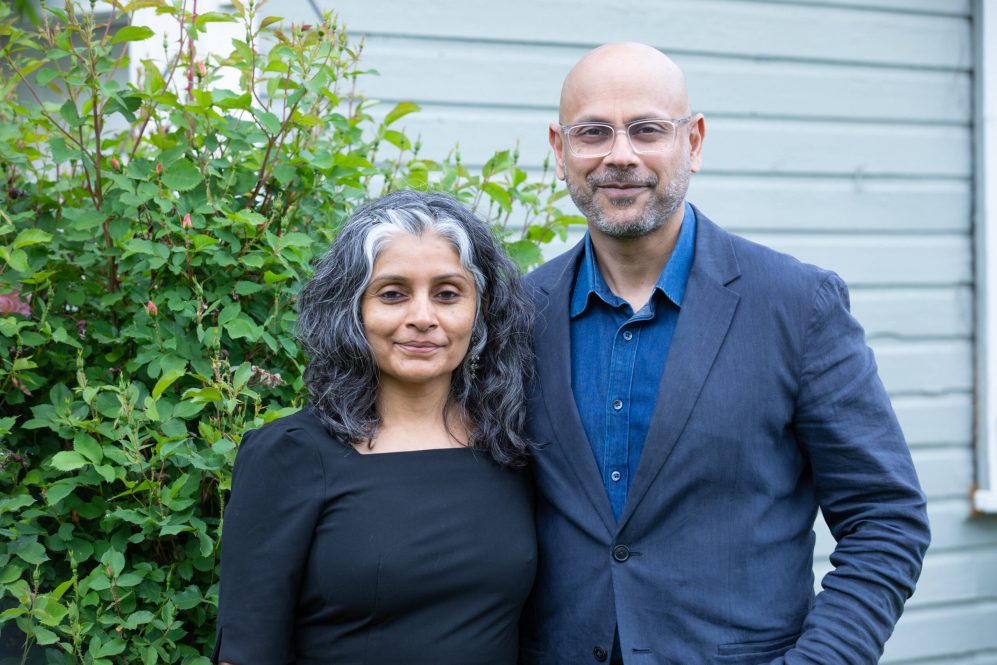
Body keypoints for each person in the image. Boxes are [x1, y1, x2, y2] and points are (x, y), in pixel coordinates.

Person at [519, 43, 930, 664]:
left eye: (648, 130)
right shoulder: (519, 312)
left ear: (696, 142)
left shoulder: (796, 305)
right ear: (559, 149)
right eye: (593, 132)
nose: (620, 154)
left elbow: (886, 521)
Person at [212, 190, 536, 665]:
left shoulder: (510, 449)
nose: (422, 318)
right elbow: (246, 651)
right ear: (354, 310)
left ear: (480, 309)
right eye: (392, 294)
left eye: (447, 294)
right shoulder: (290, 455)